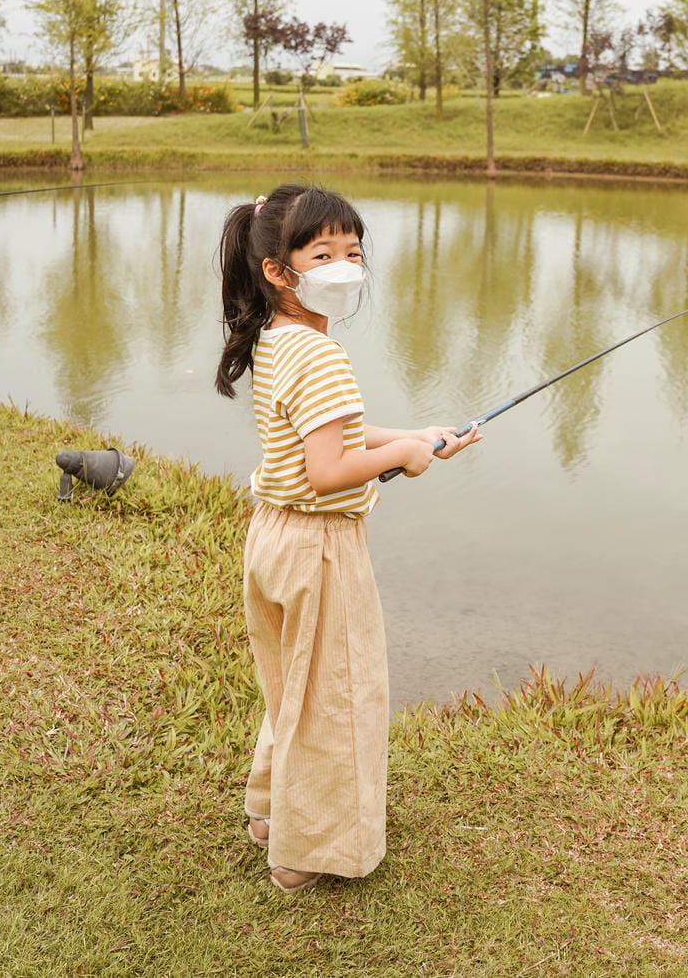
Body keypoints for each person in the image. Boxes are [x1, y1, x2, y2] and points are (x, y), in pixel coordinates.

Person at [215, 184, 480, 893]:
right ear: (279, 268)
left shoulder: (280, 339)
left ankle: (271, 814)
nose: (344, 266)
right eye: (323, 252)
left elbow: (326, 435)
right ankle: (305, 852)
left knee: (291, 688)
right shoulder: (324, 356)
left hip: (273, 539)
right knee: (336, 695)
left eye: (354, 252)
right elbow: (329, 468)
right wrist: (402, 459)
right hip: (319, 547)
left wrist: (415, 435)